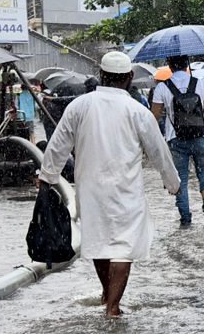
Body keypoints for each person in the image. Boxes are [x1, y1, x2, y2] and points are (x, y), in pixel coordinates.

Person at [38, 52, 180, 320]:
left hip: (90, 188)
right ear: (128, 78)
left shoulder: (80, 106)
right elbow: (159, 151)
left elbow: (58, 145)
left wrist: (47, 177)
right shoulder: (138, 111)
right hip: (126, 190)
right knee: (123, 247)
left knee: (100, 242)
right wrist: (173, 183)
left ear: (101, 75)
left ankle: (106, 294)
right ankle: (113, 307)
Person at [151, 54, 204, 226]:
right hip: (199, 137)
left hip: (175, 139)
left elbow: (154, 116)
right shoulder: (200, 84)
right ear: (187, 64)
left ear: (169, 65)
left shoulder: (162, 88)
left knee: (180, 178)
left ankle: (185, 219)